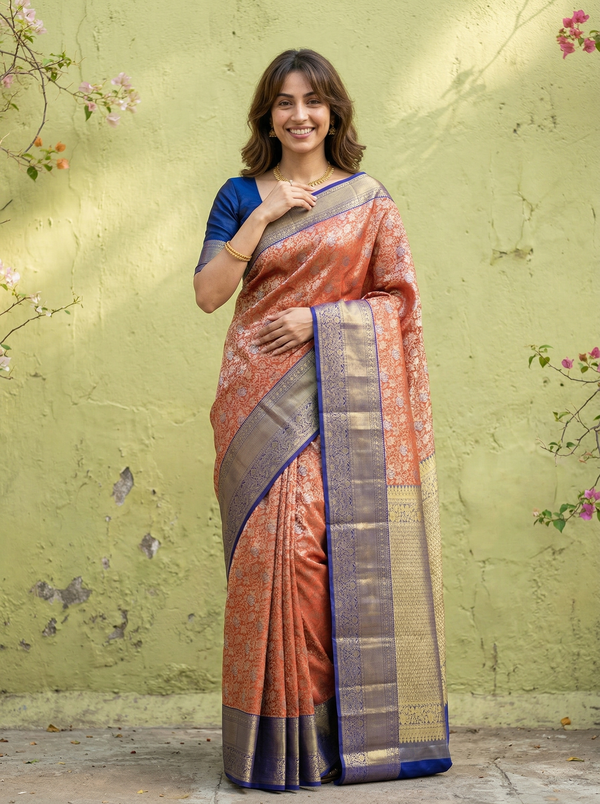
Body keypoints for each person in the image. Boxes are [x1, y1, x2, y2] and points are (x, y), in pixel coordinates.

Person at [194, 48, 451, 791]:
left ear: (335, 110)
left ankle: (346, 740)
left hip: (337, 399)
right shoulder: (239, 194)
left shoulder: (368, 199)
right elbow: (210, 294)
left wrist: (318, 321)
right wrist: (264, 216)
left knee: (317, 559)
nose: (299, 114)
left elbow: (398, 303)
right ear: (266, 115)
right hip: (255, 403)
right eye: (283, 102)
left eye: (313, 100)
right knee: (270, 563)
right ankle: (279, 747)